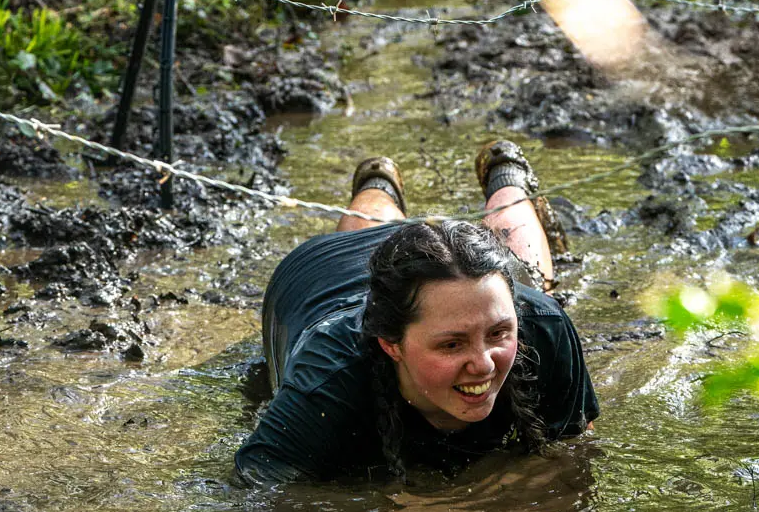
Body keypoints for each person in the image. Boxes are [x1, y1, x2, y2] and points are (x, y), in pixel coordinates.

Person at [233, 140, 598, 485]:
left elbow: (575, 452)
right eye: (452, 345)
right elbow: (258, 490)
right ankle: (377, 186)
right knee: (368, 239)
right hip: (323, 271)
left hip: (443, 277)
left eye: (498, 333)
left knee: (534, 277)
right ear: (391, 344)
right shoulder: (328, 380)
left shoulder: (543, 325)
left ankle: (507, 175)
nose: (484, 364)